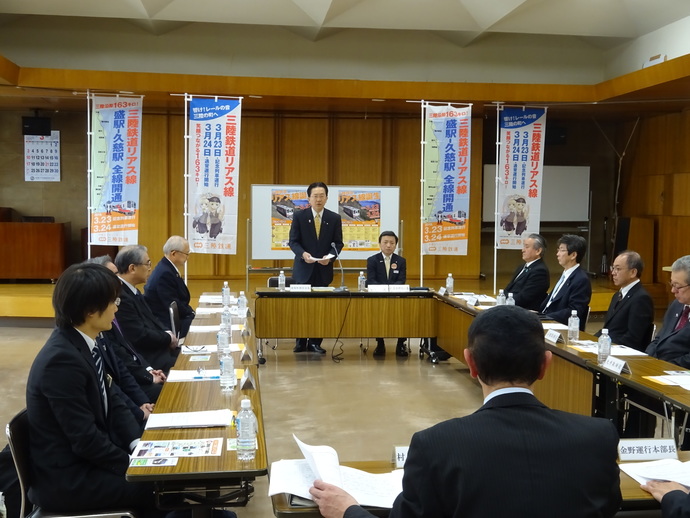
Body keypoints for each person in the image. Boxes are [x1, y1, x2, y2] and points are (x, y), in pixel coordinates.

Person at [309, 305, 622, 518]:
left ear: (470, 364)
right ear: (545, 365)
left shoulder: (437, 446)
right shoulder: (597, 437)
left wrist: (348, 510)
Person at [25, 262, 162, 515]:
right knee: (154, 486)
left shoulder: (86, 342)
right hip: (69, 478)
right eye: (113, 302)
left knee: (163, 476)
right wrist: (132, 465)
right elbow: (85, 439)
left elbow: (114, 399)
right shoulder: (61, 361)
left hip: (89, 462)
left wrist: (136, 444)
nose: (116, 309)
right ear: (90, 310)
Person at [88, 255, 166, 402]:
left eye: (117, 274)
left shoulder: (111, 308)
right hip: (126, 391)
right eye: (114, 276)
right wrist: (142, 405)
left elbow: (126, 349)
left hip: (134, 376)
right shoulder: (99, 321)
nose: (118, 280)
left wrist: (148, 370)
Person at [288, 181, 343, 354]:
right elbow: (293, 241)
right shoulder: (299, 216)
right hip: (303, 269)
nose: (318, 199)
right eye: (315, 196)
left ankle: (315, 342)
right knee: (301, 307)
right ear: (309, 198)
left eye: (321, 196)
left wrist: (330, 257)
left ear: (327, 198)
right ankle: (300, 341)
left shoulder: (334, 218)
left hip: (323, 270)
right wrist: (303, 254)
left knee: (320, 308)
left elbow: (338, 244)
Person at [114, 245, 179, 373]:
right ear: (132, 268)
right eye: (147, 264)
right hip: (151, 357)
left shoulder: (133, 290)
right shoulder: (121, 296)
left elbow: (152, 318)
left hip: (160, 349)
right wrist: (168, 338)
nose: (150, 269)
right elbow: (139, 336)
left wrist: (167, 333)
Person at [594, 250, 654, 351]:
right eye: (613, 268)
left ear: (633, 272)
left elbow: (633, 338)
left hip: (623, 352)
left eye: (618, 269)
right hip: (608, 347)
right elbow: (608, 329)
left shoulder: (641, 298)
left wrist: (606, 346)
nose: (613, 273)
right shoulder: (617, 295)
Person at [144, 235, 195, 339]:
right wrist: (192, 313)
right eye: (186, 254)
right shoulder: (165, 273)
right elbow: (173, 304)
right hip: (168, 324)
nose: (187, 257)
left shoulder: (167, 268)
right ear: (174, 253)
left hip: (175, 318)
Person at [366, 230, 408, 357]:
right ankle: (380, 343)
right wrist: (384, 291)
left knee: (403, 316)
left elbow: (401, 280)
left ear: (395, 245)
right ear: (380, 244)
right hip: (378, 297)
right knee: (377, 316)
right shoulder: (372, 260)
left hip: (396, 297)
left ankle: (401, 344)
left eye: (392, 243)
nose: (388, 245)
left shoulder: (401, 261)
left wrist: (391, 291)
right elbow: (371, 281)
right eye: (385, 242)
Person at [539, 234, 591, 330]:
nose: (557, 254)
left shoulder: (581, 280)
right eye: (558, 250)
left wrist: (545, 317)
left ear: (573, 255)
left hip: (560, 327)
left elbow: (574, 311)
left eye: (562, 250)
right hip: (546, 320)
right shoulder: (565, 275)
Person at [646, 255, 690, 367]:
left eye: (677, 286)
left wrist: (664, 367)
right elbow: (658, 339)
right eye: (672, 284)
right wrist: (647, 360)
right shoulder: (676, 305)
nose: (672, 290)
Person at [503, 233, 550, 311]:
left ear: (538, 251)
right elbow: (508, 288)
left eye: (526, 247)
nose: (522, 250)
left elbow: (524, 298)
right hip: (512, 307)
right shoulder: (522, 267)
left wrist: (504, 299)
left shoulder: (540, 271)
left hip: (524, 312)